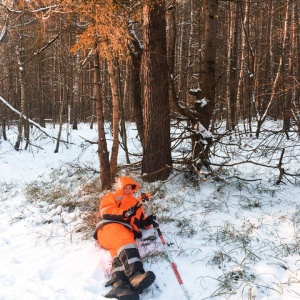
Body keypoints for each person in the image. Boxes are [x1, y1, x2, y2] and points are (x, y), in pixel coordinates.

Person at [94, 176, 156, 300]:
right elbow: (105, 211)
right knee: (125, 241)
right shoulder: (113, 197)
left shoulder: (136, 205)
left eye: (130, 188)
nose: (128, 190)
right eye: (125, 187)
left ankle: (120, 286)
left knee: (119, 255)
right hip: (109, 227)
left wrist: (148, 222)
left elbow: (142, 222)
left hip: (122, 233)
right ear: (120, 188)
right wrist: (125, 213)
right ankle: (135, 275)